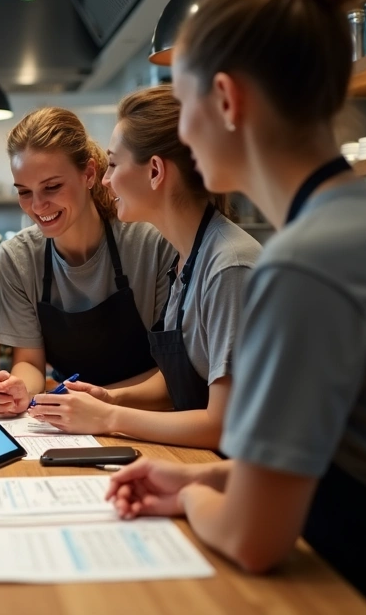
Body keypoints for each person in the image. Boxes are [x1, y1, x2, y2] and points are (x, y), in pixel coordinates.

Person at [105, 0, 366, 612]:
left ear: (227, 101)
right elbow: (353, 460)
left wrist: (195, 500)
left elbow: (252, 538)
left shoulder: (307, 262)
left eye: (184, 103)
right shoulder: (365, 215)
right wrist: (206, 476)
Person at [30, 86, 260, 450]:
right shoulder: (188, 257)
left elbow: (223, 423)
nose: (106, 181)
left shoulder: (229, 266)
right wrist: (110, 399)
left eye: (114, 164)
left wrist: (109, 418)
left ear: (155, 171)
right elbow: (183, 379)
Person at [0, 107, 175, 413]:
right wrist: (19, 388)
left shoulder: (150, 244)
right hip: (70, 416)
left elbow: (175, 373)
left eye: (52, 187)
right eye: (24, 192)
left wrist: (98, 403)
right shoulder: (18, 257)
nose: (37, 206)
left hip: (148, 414)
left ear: (88, 174)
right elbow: (30, 363)